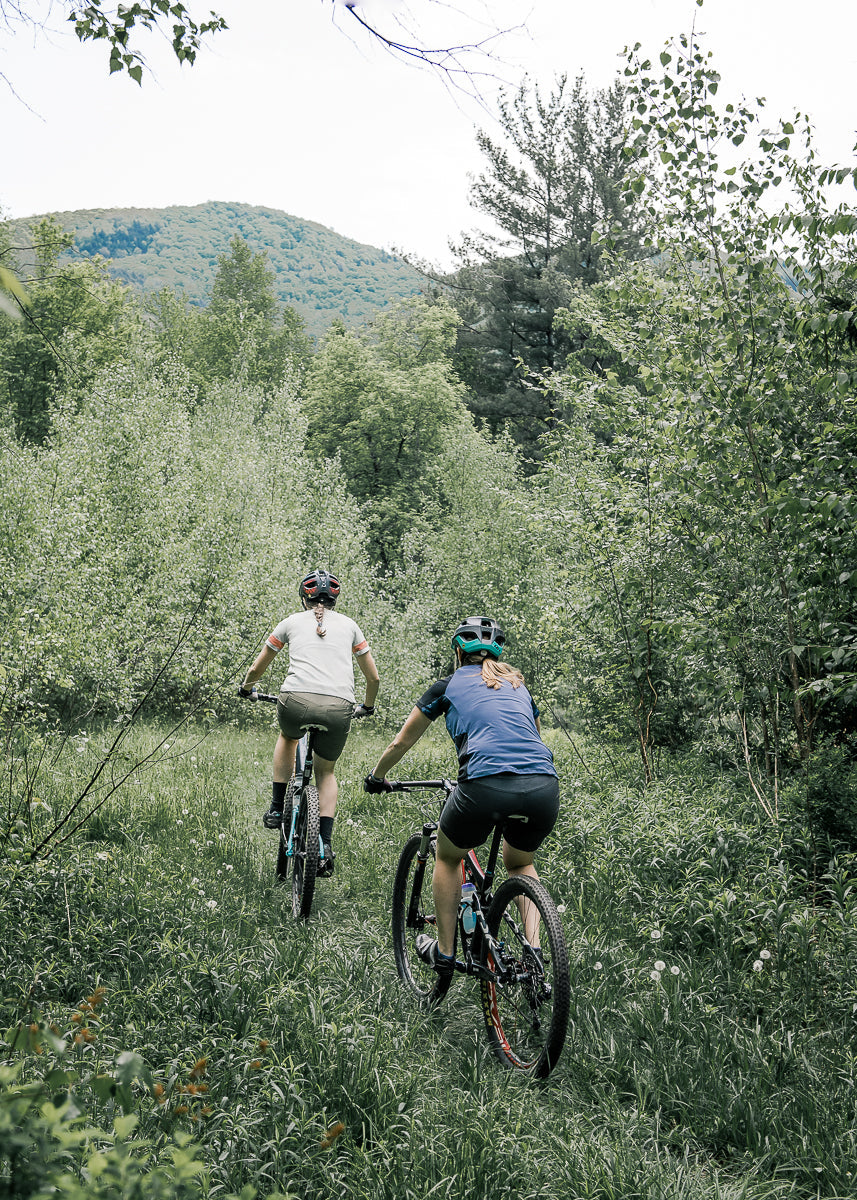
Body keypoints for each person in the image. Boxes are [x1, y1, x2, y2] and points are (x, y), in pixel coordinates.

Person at [364, 615, 558, 978]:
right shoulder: (518, 684)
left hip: (484, 784)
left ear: (457, 650)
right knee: (519, 862)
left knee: (448, 855)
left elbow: (402, 741)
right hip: (543, 786)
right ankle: (534, 952)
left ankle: (445, 952)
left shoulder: (446, 686)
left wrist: (378, 776)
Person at [239, 570, 379, 876]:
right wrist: (366, 706)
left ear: (305, 598)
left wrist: (247, 688)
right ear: (334, 599)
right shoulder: (350, 626)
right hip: (339, 707)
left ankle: (277, 807)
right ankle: (325, 845)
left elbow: (258, 665)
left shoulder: (291, 622)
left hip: (295, 701)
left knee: (288, 739)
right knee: (325, 772)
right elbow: (373, 677)